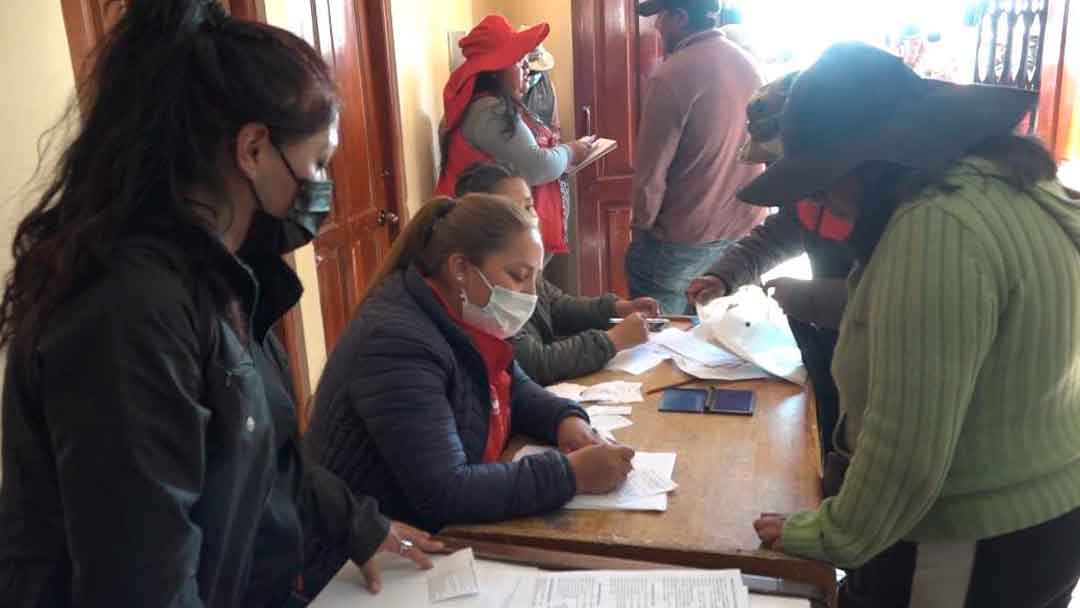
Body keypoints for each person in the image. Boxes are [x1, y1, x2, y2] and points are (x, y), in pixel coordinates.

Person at [0, 2, 445, 606]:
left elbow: (261, 451)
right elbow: (140, 581)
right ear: (254, 149)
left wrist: (359, 525)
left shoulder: (225, 277)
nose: (322, 187)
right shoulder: (130, 312)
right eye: (316, 162)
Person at [746, 43, 1080, 606]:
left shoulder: (937, 229)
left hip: (966, 539)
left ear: (873, 165)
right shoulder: (1006, 186)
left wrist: (827, 532)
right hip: (1042, 520)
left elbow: (907, 448)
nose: (822, 201)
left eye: (827, 181)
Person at [305, 195, 635, 542]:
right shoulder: (397, 342)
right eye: (519, 276)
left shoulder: (457, 311)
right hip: (364, 555)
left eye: (534, 279)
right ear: (460, 268)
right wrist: (570, 475)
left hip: (424, 532)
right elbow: (445, 493)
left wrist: (566, 420)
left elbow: (513, 385)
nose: (530, 295)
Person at [687, 72, 854, 483]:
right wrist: (722, 275)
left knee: (849, 452)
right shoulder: (812, 189)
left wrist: (814, 298)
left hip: (867, 353)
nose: (775, 172)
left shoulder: (879, 202)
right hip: (830, 343)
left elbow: (892, 299)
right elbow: (778, 235)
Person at [455, 162, 660, 385]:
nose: (528, 218)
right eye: (512, 210)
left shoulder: (521, 261)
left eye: (528, 206)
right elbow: (535, 365)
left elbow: (556, 305)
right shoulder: (479, 297)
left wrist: (617, 308)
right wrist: (612, 340)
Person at [626, 0, 767, 314]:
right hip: (742, 233)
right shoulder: (750, 66)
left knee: (658, 342)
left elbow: (651, 173)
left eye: (661, 17)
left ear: (680, 18)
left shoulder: (671, 75)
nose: (657, 27)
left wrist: (641, 229)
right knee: (722, 341)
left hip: (680, 239)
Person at [436, 15, 595, 259]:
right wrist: (572, 151)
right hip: (490, 240)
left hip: (492, 236)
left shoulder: (481, 105)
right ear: (496, 69)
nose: (526, 68)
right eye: (518, 62)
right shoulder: (489, 110)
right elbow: (537, 166)